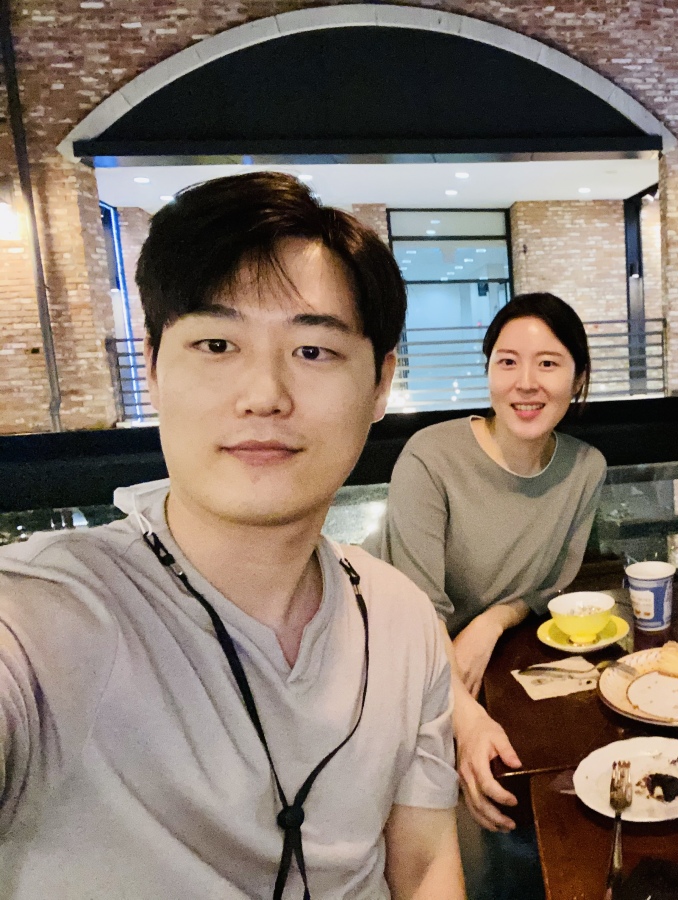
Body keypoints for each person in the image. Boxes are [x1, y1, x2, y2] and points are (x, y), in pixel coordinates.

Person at [0, 172, 465, 898]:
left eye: (313, 351)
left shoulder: (402, 620)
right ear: (153, 368)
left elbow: (426, 862)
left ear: (380, 385)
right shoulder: (47, 619)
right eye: (217, 344)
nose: (264, 395)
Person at [366, 292, 606, 897]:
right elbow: (415, 610)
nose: (526, 383)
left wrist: (494, 620)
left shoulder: (585, 468)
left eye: (548, 363)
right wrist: (466, 722)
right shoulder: (431, 456)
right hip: (388, 649)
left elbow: (553, 583)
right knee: (465, 824)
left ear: (578, 378)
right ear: (489, 371)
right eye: (507, 361)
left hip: (490, 661)